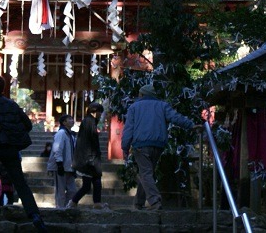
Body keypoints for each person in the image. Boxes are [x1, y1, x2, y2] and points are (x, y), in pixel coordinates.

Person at [0, 75, 47, 232]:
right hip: (10, 148)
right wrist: (14, 135)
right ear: (4, 88)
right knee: (20, 183)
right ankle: (34, 215)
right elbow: (27, 124)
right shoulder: (11, 105)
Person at [121, 83, 196, 211]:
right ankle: (138, 203)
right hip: (158, 144)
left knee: (145, 173)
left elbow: (128, 129)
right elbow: (175, 118)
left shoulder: (134, 107)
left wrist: (125, 147)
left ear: (142, 94)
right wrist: (191, 125)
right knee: (147, 172)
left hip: (141, 144)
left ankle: (155, 201)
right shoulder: (163, 105)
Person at [67, 102, 108, 210]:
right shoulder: (89, 122)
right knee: (90, 183)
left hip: (88, 157)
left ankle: (95, 202)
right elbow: (89, 142)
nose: (100, 114)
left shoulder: (88, 121)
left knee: (94, 181)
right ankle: (74, 201)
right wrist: (91, 157)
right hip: (89, 158)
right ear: (94, 112)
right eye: (99, 112)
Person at [47, 114, 77, 208]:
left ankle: (67, 208)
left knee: (72, 191)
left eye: (72, 119)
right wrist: (59, 164)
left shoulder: (71, 135)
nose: (72, 120)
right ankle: (60, 209)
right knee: (61, 191)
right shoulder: (61, 133)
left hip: (69, 167)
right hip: (61, 166)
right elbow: (57, 149)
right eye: (70, 119)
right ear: (64, 122)